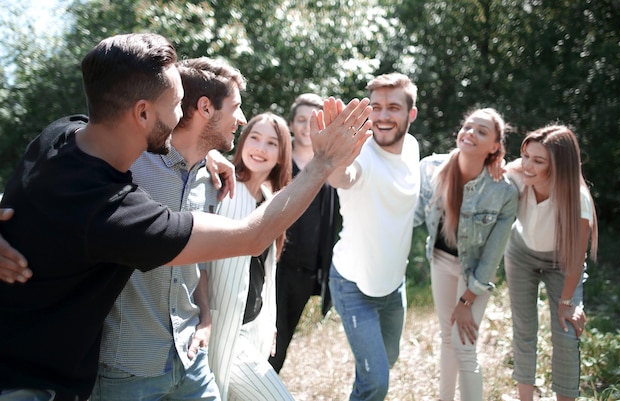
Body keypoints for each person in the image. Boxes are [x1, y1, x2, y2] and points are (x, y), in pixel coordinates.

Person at [0, 32, 372, 401]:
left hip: (185, 358)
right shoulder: (117, 209)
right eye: (178, 104)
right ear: (143, 113)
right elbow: (252, 236)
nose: (184, 114)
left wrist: (201, 156)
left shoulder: (62, 134)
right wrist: (322, 163)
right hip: (65, 379)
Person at [90, 56, 246, 401]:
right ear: (205, 107)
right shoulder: (131, 165)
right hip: (128, 367)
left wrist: (205, 318)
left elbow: (197, 260)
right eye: (236, 107)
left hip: (190, 357)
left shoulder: (211, 179)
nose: (242, 119)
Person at [326, 72, 420, 401]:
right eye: (376, 107)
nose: (382, 116)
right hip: (353, 284)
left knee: (384, 363)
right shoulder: (360, 153)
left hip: (394, 284)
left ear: (411, 114)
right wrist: (333, 159)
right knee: (377, 382)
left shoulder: (411, 147)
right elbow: (344, 176)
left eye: (393, 107)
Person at [413, 108, 518, 401]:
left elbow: (492, 257)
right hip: (441, 261)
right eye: (468, 126)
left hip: (475, 274)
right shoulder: (432, 168)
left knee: (464, 346)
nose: (470, 132)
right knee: (447, 338)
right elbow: (412, 213)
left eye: (481, 131)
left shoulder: (504, 190)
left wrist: (467, 299)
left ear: (495, 147)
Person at [503, 125, 598, 401]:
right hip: (521, 254)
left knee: (566, 334)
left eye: (538, 161)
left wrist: (567, 303)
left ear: (558, 166)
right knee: (524, 329)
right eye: (526, 156)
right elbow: (493, 170)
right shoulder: (519, 176)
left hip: (562, 262)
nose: (528, 166)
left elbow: (575, 259)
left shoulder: (577, 201)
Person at [206, 112, 294, 401]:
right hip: (222, 330)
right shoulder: (221, 186)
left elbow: (266, 275)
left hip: (254, 327)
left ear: (282, 155)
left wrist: (270, 324)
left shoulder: (271, 199)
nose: (260, 148)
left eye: (271, 143)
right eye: (254, 138)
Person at [269, 93, 341, 373]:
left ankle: (263, 386)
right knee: (267, 336)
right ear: (291, 124)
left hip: (306, 270)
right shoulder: (278, 162)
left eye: (316, 120)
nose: (308, 126)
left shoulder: (330, 168)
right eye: (302, 120)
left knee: (282, 341)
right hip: (274, 266)